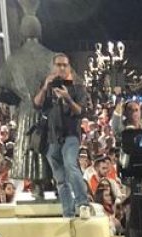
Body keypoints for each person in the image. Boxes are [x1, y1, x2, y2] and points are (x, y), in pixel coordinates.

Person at [34, 53, 88, 218]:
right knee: (60, 179)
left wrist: (68, 98)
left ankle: (83, 204)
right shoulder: (46, 85)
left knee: (71, 165)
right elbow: (36, 104)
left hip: (71, 135)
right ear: (53, 67)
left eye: (65, 65)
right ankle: (68, 212)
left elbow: (81, 111)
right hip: (51, 137)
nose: (62, 68)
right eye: (58, 65)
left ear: (69, 67)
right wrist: (45, 87)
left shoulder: (78, 87)